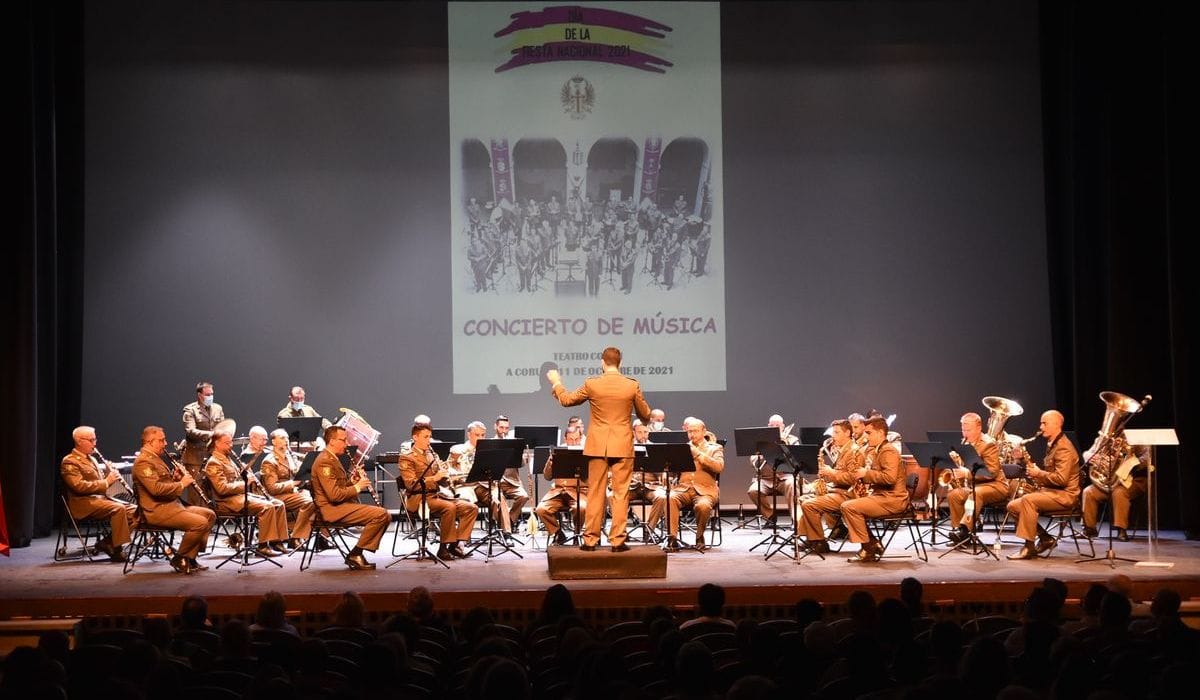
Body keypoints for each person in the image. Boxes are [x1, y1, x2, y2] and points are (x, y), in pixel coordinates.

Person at [546, 346, 652, 552]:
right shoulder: (632, 385)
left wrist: (556, 382)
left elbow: (567, 400)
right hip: (622, 445)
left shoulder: (593, 384)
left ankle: (590, 541)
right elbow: (645, 415)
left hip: (597, 447)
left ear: (602, 363)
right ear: (620, 363)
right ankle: (618, 541)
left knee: (595, 493)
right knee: (620, 494)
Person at [132, 425, 216, 574]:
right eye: (162, 440)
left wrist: (174, 478)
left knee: (209, 515)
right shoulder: (143, 462)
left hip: (171, 505)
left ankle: (190, 557)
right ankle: (180, 557)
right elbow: (155, 489)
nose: (165, 444)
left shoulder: (156, 459)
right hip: (157, 510)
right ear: (149, 442)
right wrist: (181, 484)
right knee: (200, 523)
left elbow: (163, 483)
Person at [311, 425, 391, 570]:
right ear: (332, 441)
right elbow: (334, 495)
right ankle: (355, 554)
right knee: (381, 515)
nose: (347, 443)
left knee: (385, 515)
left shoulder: (333, 459)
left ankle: (357, 552)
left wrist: (352, 482)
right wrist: (358, 487)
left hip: (339, 506)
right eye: (343, 440)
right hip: (331, 510)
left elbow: (339, 487)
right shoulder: (325, 461)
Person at [1006, 410, 1080, 559]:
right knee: (1013, 506)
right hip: (1052, 492)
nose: (1041, 427)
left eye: (1044, 423)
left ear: (1057, 424)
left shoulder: (1064, 447)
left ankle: (1029, 547)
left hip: (1065, 496)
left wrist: (1038, 473)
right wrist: (1021, 460)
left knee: (1028, 500)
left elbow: (1061, 480)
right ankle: (1045, 538)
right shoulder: (1053, 444)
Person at [204, 429, 290, 556]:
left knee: (278, 504)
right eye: (227, 443)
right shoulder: (213, 462)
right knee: (267, 507)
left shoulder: (228, 458)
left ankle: (276, 542)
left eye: (230, 442)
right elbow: (222, 489)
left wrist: (245, 474)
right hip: (226, 501)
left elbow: (236, 478)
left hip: (238, 496)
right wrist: (245, 483)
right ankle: (262, 546)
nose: (231, 445)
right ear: (217, 443)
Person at [399, 424, 477, 560]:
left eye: (429, 437)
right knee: (449, 507)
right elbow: (411, 485)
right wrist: (434, 478)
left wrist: (446, 476)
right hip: (419, 499)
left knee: (470, 508)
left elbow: (440, 481)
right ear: (415, 437)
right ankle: (443, 548)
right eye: (425, 437)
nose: (429, 440)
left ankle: (455, 545)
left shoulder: (431, 454)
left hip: (436, 496)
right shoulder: (407, 457)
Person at [646, 417, 724, 552]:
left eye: (695, 431)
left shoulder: (715, 447)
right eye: (689, 432)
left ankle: (700, 537)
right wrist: (666, 472)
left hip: (706, 490)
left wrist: (698, 454)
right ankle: (672, 538)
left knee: (703, 506)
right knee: (669, 497)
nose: (692, 434)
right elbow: (674, 469)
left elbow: (718, 467)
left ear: (704, 431)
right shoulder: (683, 448)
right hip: (684, 489)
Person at [59, 426, 136, 562]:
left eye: (95, 439)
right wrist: (107, 481)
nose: (95, 443)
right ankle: (117, 548)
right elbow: (79, 486)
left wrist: (108, 473)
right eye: (91, 440)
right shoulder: (69, 461)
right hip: (83, 503)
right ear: (79, 441)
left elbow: (100, 485)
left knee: (137, 512)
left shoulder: (92, 459)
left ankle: (109, 543)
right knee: (119, 509)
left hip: (99, 500)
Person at [840, 416, 907, 562]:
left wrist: (866, 473)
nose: (866, 436)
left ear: (881, 433)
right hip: (882, 496)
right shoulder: (878, 450)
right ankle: (872, 543)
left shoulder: (888, 451)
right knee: (849, 504)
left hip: (892, 499)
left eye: (869, 433)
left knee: (849, 507)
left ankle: (868, 548)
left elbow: (889, 478)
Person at [798, 419, 864, 553]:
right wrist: (826, 475)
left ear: (847, 433)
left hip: (848, 494)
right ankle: (811, 539)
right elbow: (839, 475)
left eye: (836, 432)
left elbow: (852, 478)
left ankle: (819, 542)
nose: (833, 435)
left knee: (809, 505)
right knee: (803, 499)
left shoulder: (854, 451)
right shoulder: (842, 450)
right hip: (837, 491)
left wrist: (831, 472)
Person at [946, 412, 1008, 543]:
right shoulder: (965, 444)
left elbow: (992, 472)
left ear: (979, 428)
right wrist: (955, 462)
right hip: (976, 486)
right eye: (963, 429)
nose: (965, 433)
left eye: (968, 430)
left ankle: (964, 531)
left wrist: (966, 473)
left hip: (996, 486)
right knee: (954, 494)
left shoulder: (988, 444)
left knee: (975, 494)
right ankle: (958, 532)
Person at [1081, 429, 1150, 542]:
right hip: (1110, 482)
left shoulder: (1133, 437)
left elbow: (1147, 457)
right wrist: (1089, 456)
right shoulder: (1103, 438)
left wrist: (1130, 464)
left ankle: (1121, 529)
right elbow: (1088, 453)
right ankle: (1089, 529)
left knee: (1119, 493)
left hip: (1133, 480)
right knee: (1088, 492)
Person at [261, 428, 315, 549]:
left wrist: (305, 469)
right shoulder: (269, 461)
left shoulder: (289, 456)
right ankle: (295, 537)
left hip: (290, 493)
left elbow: (296, 474)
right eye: (282, 438)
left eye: (287, 438)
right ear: (274, 442)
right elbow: (272, 488)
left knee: (317, 499)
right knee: (309, 503)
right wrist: (293, 483)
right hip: (277, 496)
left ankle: (304, 536)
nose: (286, 440)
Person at [535, 424, 587, 545]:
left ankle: (577, 533)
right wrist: (550, 462)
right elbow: (547, 477)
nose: (574, 443)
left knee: (581, 507)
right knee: (541, 509)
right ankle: (558, 533)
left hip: (579, 492)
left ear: (580, 438)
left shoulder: (585, 452)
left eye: (576, 439)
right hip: (558, 492)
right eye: (570, 439)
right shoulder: (558, 451)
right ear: (565, 439)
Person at [746, 414, 799, 525]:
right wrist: (767, 451)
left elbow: (796, 460)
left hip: (785, 478)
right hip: (766, 479)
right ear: (768, 426)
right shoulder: (760, 442)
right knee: (753, 491)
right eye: (772, 425)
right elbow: (754, 462)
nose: (775, 427)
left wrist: (784, 446)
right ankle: (770, 516)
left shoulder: (793, 440)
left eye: (777, 425)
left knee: (792, 485)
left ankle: (796, 519)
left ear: (783, 426)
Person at [181, 381, 225, 504]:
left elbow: (222, 427)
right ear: (199, 395)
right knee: (197, 494)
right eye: (207, 394)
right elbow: (190, 431)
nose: (210, 397)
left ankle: (211, 519)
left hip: (212, 456)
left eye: (212, 394)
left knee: (212, 492)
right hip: (196, 458)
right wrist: (211, 434)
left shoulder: (217, 408)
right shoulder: (190, 410)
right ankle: (197, 521)